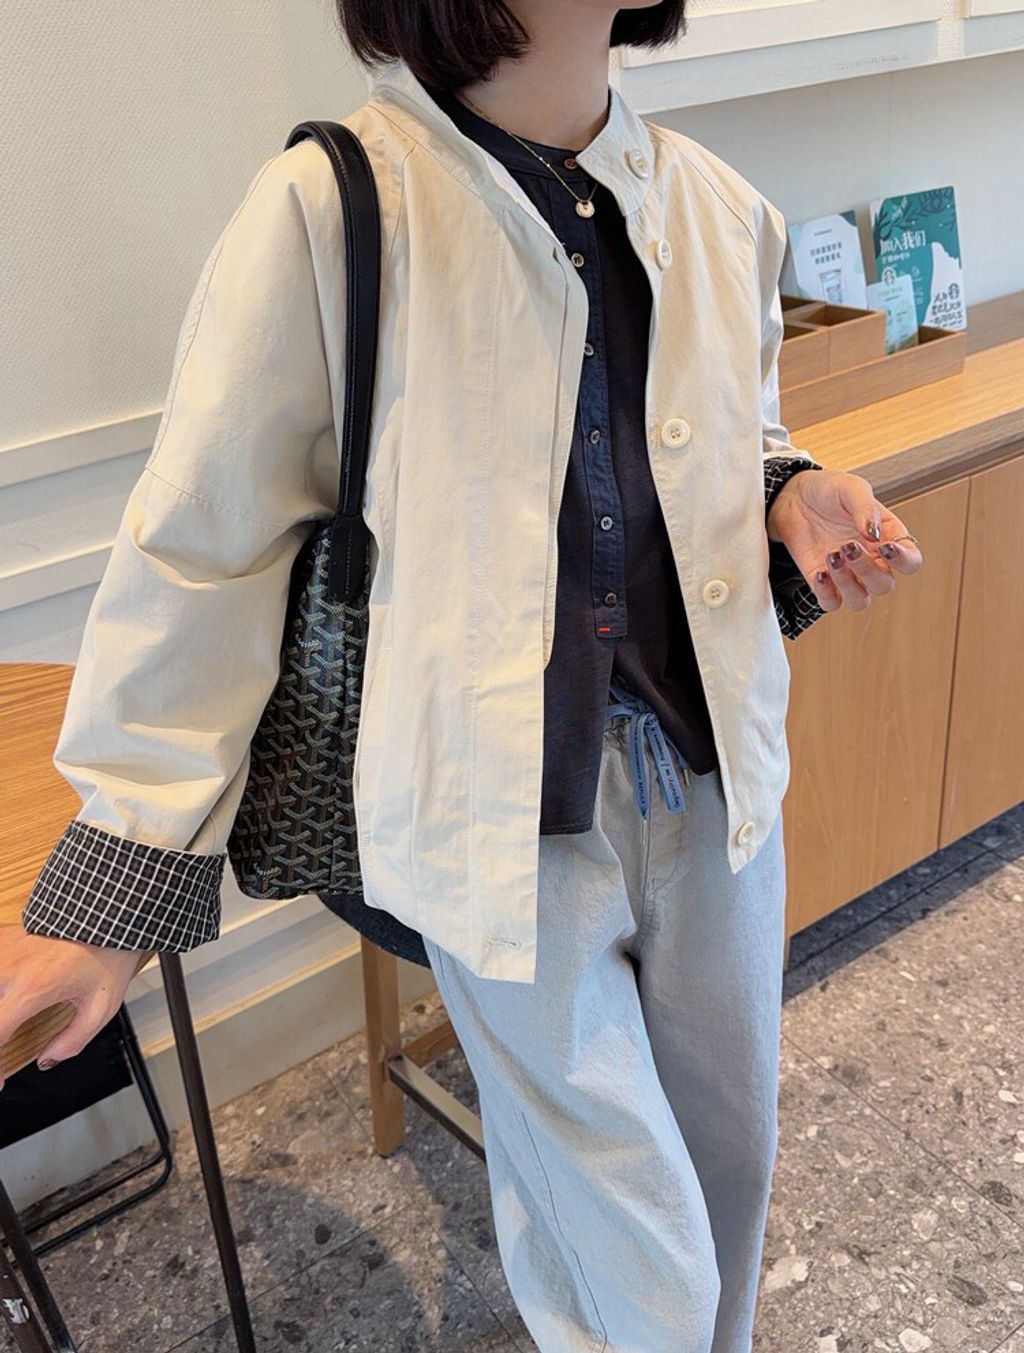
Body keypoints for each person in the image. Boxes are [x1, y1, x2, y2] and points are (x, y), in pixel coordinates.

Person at [1, 2, 923, 1348]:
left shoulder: (720, 208)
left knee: (726, 1173)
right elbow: (208, 547)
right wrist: (119, 872)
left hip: (715, 789)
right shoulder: (333, 209)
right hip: (500, 832)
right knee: (637, 1267)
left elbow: (725, 442)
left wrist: (789, 493)